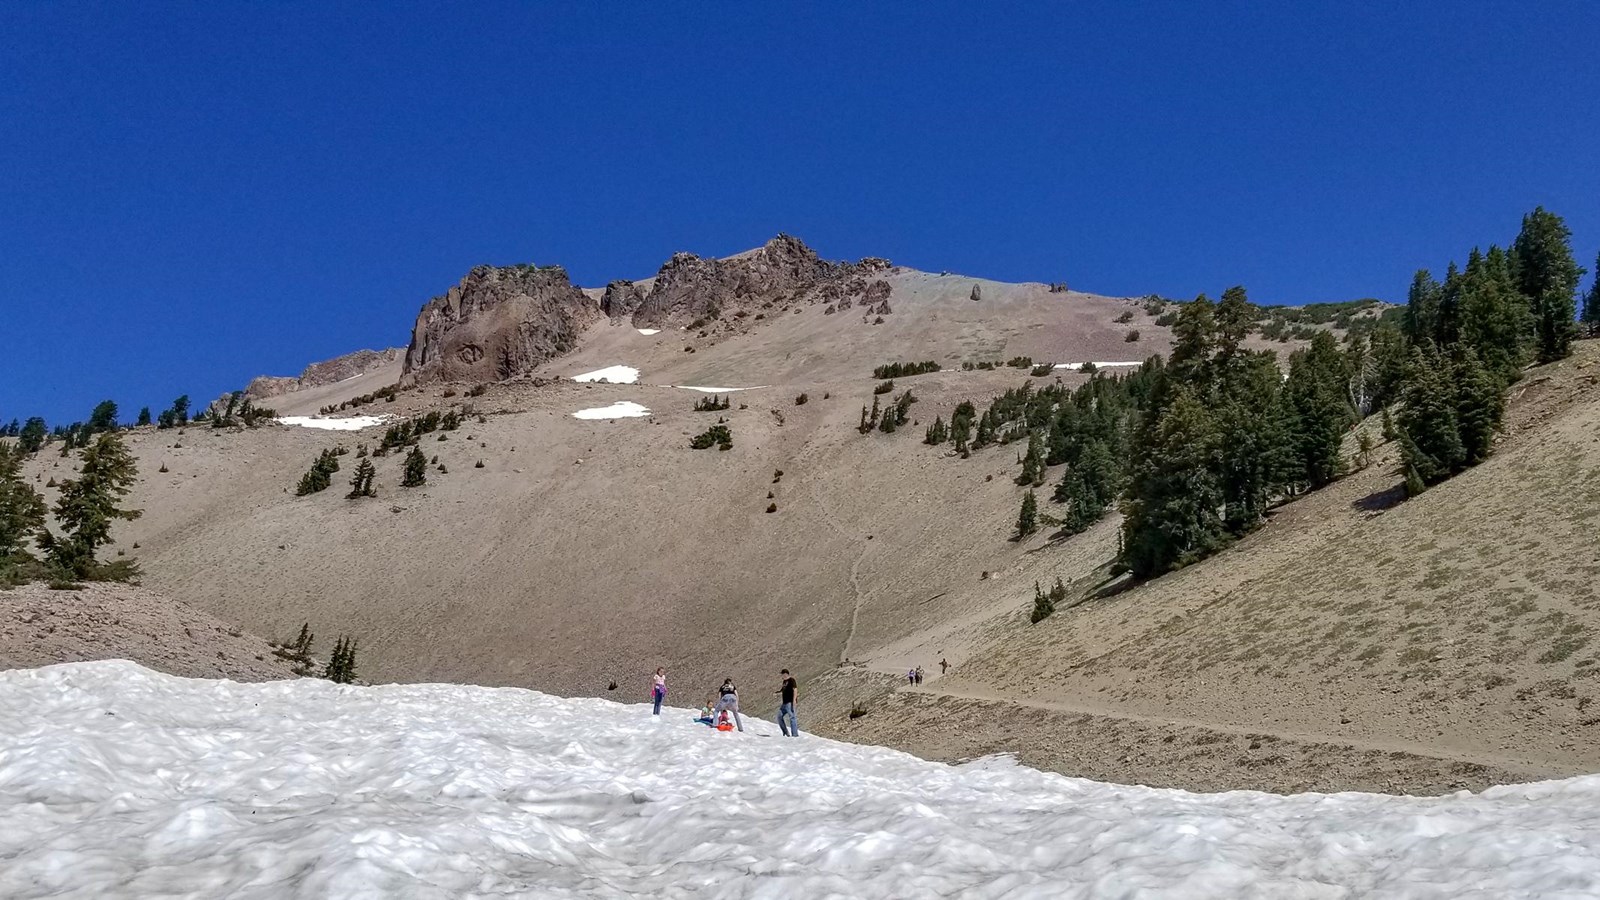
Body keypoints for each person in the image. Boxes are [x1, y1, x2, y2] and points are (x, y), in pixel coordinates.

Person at [775, 669, 799, 737]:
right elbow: (782, 690)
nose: (781, 676)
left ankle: (795, 734)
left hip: (790, 702)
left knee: (792, 717)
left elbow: (795, 690)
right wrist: (777, 693)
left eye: (782, 674)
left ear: (785, 674)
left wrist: (794, 700)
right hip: (784, 703)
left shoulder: (792, 680)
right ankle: (785, 733)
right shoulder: (784, 682)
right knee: (779, 716)